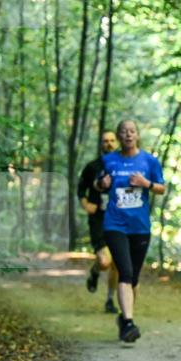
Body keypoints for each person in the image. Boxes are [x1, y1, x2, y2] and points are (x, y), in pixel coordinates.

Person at [96, 120, 165, 343]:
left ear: (137, 135)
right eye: (124, 132)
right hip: (115, 225)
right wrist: (102, 184)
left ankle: (124, 316)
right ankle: (128, 323)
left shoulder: (149, 161)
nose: (128, 135)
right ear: (118, 136)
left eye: (132, 131)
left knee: (133, 278)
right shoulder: (108, 160)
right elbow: (96, 184)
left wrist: (146, 183)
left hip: (140, 227)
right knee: (124, 272)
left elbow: (161, 188)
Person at [77, 130, 119, 313]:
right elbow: (81, 189)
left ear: (117, 143)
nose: (109, 143)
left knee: (116, 263)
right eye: (105, 141)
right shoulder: (92, 167)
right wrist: (86, 204)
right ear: (101, 144)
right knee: (104, 261)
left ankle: (110, 300)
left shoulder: (124, 166)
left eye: (112, 140)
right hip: (98, 220)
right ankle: (95, 272)